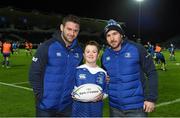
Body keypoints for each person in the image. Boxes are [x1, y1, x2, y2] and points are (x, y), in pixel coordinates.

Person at [29, 14, 83, 117]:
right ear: (62, 28)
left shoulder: (79, 51)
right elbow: (34, 73)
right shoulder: (47, 46)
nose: (72, 33)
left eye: (75, 30)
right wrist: (41, 96)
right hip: (45, 107)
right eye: (69, 29)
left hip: (67, 107)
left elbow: (79, 74)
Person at [101, 19, 158, 117]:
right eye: (108, 35)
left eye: (114, 34)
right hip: (114, 109)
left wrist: (151, 98)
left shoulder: (137, 49)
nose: (112, 38)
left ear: (121, 34)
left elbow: (152, 72)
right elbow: (104, 77)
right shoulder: (105, 55)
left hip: (137, 108)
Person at [72, 40, 108, 117]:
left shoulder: (103, 73)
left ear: (98, 55)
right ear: (84, 55)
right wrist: (74, 93)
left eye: (94, 52)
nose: (91, 54)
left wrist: (103, 95)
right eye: (88, 52)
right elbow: (70, 88)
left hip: (96, 112)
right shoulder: (76, 70)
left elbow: (106, 90)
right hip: (79, 112)